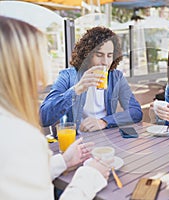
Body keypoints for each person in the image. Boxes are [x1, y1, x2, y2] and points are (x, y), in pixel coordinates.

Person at [0, 16, 112, 199]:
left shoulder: (116, 78)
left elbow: (22, 173)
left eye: (109, 55)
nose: (41, 77)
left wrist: (63, 161)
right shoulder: (17, 137)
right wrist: (90, 176)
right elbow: (44, 116)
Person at [40, 26, 143, 133]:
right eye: (99, 55)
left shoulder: (116, 77)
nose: (105, 62)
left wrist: (104, 122)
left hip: (105, 139)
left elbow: (135, 112)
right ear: (87, 55)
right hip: (76, 141)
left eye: (110, 56)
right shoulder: (67, 76)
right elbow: (43, 118)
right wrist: (76, 90)